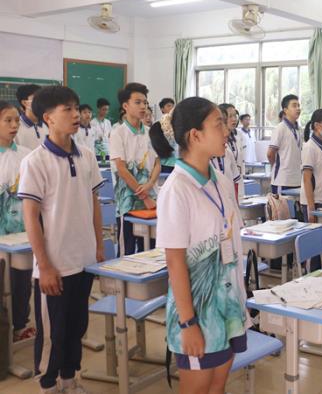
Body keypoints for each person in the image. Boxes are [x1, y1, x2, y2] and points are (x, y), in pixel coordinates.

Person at [156, 97, 249, 393]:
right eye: (218, 124)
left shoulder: (220, 179)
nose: (226, 131)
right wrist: (188, 323)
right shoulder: (177, 189)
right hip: (198, 311)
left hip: (228, 304)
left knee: (217, 386)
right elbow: (175, 262)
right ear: (195, 135)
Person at [18, 86, 104, 394]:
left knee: (77, 327)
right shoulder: (35, 161)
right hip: (55, 264)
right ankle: (47, 384)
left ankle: (69, 379)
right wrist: (44, 265)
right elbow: (31, 217)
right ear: (48, 117)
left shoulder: (87, 156)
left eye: (76, 108)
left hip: (85, 261)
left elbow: (94, 203)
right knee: (53, 332)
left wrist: (98, 246)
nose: (75, 114)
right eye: (67, 109)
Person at [109, 83, 161, 255]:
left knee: (151, 250)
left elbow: (157, 163)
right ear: (125, 106)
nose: (143, 106)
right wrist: (144, 196)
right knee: (127, 252)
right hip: (128, 204)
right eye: (137, 102)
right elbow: (122, 169)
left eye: (145, 102)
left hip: (151, 201)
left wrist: (150, 185)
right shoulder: (118, 133)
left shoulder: (150, 132)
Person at [0, 101, 35, 343]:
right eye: (8, 121)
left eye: (16, 121)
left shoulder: (26, 155)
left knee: (21, 279)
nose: (14, 125)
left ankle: (20, 324)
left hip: (22, 233)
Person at [267, 94, 302, 195]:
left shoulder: (299, 129)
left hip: (297, 179)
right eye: (294, 105)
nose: (298, 108)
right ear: (285, 110)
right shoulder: (280, 128)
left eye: (298, 105)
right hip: (282, 180)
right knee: (282, 206)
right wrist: (277, 167)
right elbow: (270, 154)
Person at [211, 106, 241, 197]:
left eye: (235, 116)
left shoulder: (227, 151)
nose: (226, 132)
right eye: (219, 125)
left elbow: (235, 181)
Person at [219, 104, 245, 195]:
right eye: (230, 116)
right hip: (223, 185)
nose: (234, 119)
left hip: (237, 181)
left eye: (235, 116)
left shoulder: (237, 136)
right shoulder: (216, 141)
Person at [15, 84, 48, 150]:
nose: (42, 103)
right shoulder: (15, 128)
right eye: (37, 99)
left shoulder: (48, 125)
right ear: (25, 103)